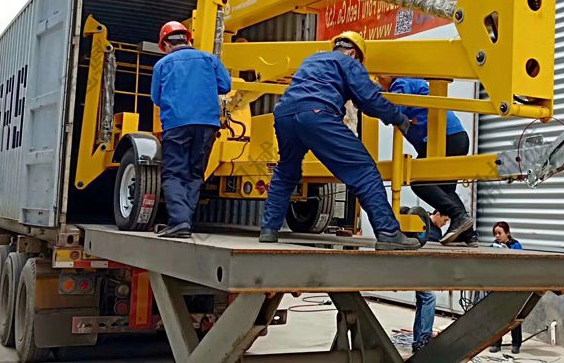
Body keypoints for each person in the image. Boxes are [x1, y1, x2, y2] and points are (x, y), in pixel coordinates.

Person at [259, 31, 419, 251]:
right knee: (363, 170)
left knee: (287, 171)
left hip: (284, 114)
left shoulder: (312, 59)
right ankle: (389, 233)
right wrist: (399, 119)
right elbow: (368, 99)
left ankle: (269, 230)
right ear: (353, 53)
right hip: (316, 114)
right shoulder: (348, 62)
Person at [150, 21, 232, 238]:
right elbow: (226, 86)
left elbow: (156, 98)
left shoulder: (162, 65)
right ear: (187, 39)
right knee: (195, 173)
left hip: (177, 124)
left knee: (174, 173)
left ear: (166, 44)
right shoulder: (210, 59)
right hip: (207, 125)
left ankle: (180, 222)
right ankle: (184, 221)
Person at [376, 76, 478, 246]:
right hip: (454, 138)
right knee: (445, 189)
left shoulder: (401, 83)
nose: (378, 80)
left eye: (379, 77)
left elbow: (394, 110)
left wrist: (370, 98)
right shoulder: (411, 82)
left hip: (443, 140)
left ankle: (458, 216)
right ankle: (467, 234)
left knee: (418, 180)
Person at [412, 209, 449, 353]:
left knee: (422, 303)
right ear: (438, 214)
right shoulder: (423, 224)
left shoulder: (437, 231)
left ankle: (418, 341)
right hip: (416, 269)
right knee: (429, 298)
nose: (445, 224)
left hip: (424, 272)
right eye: (445, 220)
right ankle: (425, 338)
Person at [489, 221, 523, 354]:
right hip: (497, 284)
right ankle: (496, 342)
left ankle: (516, 343)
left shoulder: (515, 245)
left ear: (507, 233)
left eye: (499, 233)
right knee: (496, 315)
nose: (497, 236)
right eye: (495, 234)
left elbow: (519, 263)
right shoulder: (494, 245)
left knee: (514, 315)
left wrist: (507, 252)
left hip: (512, 284)